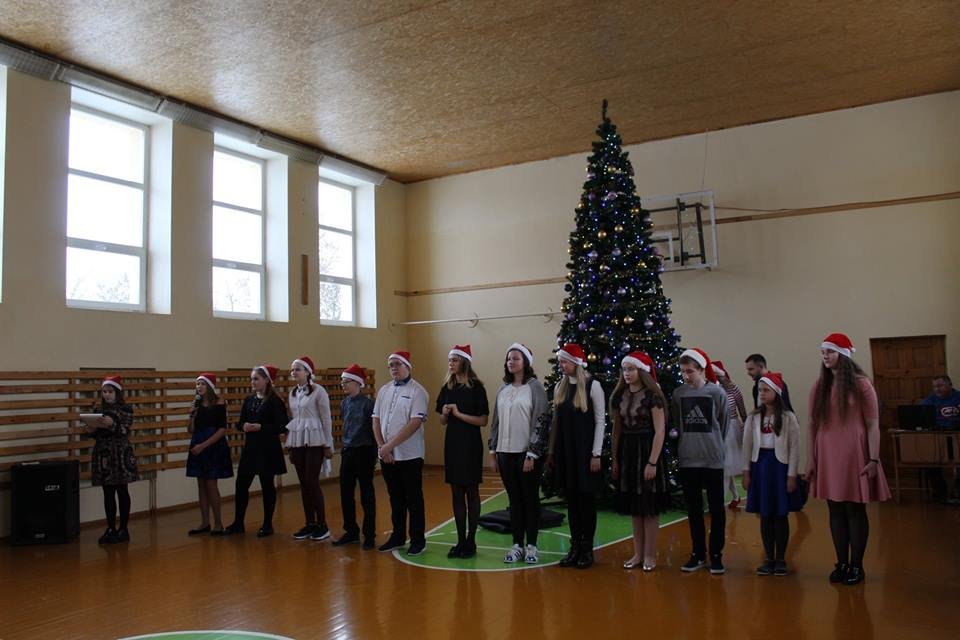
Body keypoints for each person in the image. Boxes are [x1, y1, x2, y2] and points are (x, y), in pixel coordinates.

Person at [808, 333, 890, 585]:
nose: (825, 356)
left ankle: (857, 565)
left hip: (854, 453)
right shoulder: (820, 386)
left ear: (843, 355)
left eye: (830, 352)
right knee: (835, 508)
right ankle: (841, 562)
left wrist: (874, 459)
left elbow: (873, 424)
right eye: (823, 352)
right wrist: (812, 459)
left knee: (854, 509)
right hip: (828, 454)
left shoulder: (861, 384)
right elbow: (813, 425)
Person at [489, 343, 550, 564]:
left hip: (527, 455)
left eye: (515, 358)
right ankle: (517, 544)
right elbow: (495, 422)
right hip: (505, 454)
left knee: (530, 500)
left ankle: (532, 545)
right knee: (514, 501)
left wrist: (532, 454)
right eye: (508, 359)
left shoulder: (535, 388)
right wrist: (493, 452)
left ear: (525, 362)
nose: (511, 362)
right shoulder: (503, 389)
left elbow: (542, 421)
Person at [546, 343, 605, 569]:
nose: (561, 365)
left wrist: (596, 454)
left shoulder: (593, 386)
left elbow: (600, 421)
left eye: (565, 361)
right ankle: (574, 546)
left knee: (586, 501)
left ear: (576, 363)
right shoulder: (559, 387)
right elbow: (556, 423)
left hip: (585, 453)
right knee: (571, 501)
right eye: (560, 361)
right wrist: (552, 452)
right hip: (566, 452)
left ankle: (587, 548)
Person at [610, 351, 670, 572]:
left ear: (641, 371)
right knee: (635, 507)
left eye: (631, 369)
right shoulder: (620, 395)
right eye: (624, 369)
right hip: (628, 452)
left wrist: (652, 462)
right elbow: (617, 429)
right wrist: (615, 458)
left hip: (647, 450)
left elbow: (660, 431)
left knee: (649, 507)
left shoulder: (653, 396)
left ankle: (650, 555)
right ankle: (638, 553)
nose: (627, 373)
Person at [673, 348, 729, 574]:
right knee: (694, 510)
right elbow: (677, 422)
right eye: (683, 371)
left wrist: (713, 444)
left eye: (690, 371)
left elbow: (723, 424)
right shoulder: (678, 394)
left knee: (716, 509)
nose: (686, 376)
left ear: (701, 370)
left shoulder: (716, 393)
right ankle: (697, 553)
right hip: (688, 459)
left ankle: (716, 555)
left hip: (712, 459)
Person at [742, 372, 801, 577]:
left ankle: (781, 558)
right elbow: (747, 445)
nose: (762, 394)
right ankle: (768, 558)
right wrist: (746, 471)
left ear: (776, 392)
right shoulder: (753, 417)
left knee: (780, 514)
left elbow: (794, 448)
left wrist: (792, 475)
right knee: (765, 514)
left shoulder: (788, 417)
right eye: (760, 390)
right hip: (760, 467)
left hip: (779, 468)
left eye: (766, 390)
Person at [373, 350, 430, 556]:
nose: (394, 368)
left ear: (407, 366)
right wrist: (382, 447)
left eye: (397, 364)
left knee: (413, 499)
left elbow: (414, 423)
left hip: (410, 456)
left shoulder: (418, 391)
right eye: (391, 365)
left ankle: (418, 540)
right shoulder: (384, 390)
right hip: (387, 455)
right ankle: (397, 536)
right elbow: (376, 419)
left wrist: (390, 446)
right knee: (395, 498)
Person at [437, 345, 489, 559]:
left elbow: (483, 421)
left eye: (455, 360)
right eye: (449, 360)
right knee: (456, 493)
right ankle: (460, 541)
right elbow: (442, 421)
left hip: (470, 445)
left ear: (464, 362)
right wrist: (445, 414)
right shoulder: (447, 387)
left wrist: (458, 414)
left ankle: (471, 541)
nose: (451, 363)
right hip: (452, 445)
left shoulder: (477, 388)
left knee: (471, 492)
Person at [224, 365, 288, 538]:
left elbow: (282, 426)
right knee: (241, 484)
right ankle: (238, 522)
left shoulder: (275, 401)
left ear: (266, 380)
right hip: (251, 449)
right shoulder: (249, 400)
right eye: (252, 379)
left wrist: (262, 427)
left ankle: (267, 524)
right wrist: (243, 426)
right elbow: (240, 422)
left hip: (268, 449)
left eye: (256, 379)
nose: (252, 382)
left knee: (267, 485)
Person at [86, 376, 139, 544]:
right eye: (104, 392)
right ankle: (110, 528)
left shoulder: (126, 409)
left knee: (122, 490)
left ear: (117, 392)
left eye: (110, 391)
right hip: (104, 454)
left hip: (120, 453)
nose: (107, 395)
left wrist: (112, 424)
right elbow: (92, 433)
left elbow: (125, 431)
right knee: (107, 491)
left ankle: (123, 529)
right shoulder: (98, 409)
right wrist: (90, 428)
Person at [287, 356, 334, 541]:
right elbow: (294, 419)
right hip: (298, 439)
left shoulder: (319, 391)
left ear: (308, 372)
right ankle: (310, 523)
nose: (294, 372)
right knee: (303, 483)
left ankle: (322, 525)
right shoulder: (292, 393)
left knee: (311, 481)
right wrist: (291, 447)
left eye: (298, 369)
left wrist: (327, 443)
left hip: (314, 439)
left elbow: (326, 418)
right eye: (293, 369)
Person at [333, 364, 378, 549]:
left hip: (364, 451)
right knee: (345, 492)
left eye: (347, 381)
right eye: (342, 382)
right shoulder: (344, 403)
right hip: (348, 451)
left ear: (357, 383)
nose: (343, 385)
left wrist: (374, 454)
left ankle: (369, 534)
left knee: (366, 494)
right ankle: (351, 531)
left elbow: (374, 430)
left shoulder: (368, 404)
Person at [185, 373, 232, 536]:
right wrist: (191, 415)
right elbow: (190, 430)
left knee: (211, 484)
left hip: (212, 445)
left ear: (210, 386)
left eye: (202, 384)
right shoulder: (196, 405)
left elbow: (222, 429)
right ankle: (205, 522)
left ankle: (218, 523)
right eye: (197, 384)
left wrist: (203, 446)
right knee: (201, 484)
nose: (199, 387)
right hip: (198, 443)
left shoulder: (219, 403)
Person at [712, 361, 747, 509]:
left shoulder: (733, 388)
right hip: (716, 429)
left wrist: (746, 427)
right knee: (726, 467)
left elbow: (742, 409)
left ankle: (718, 503)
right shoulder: (710, 389)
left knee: (726, 467)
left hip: (731, 429)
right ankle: (736, 496)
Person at [920, 375, 960, 501]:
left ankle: (958, 492)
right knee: (930, 461)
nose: (937, 389)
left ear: (950, 385)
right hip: (936, 438)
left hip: (956, 436)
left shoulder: (958, 397)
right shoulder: (929, 400)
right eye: (934, 387)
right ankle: (940, 493)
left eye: (940, 385)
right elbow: (922, 417)